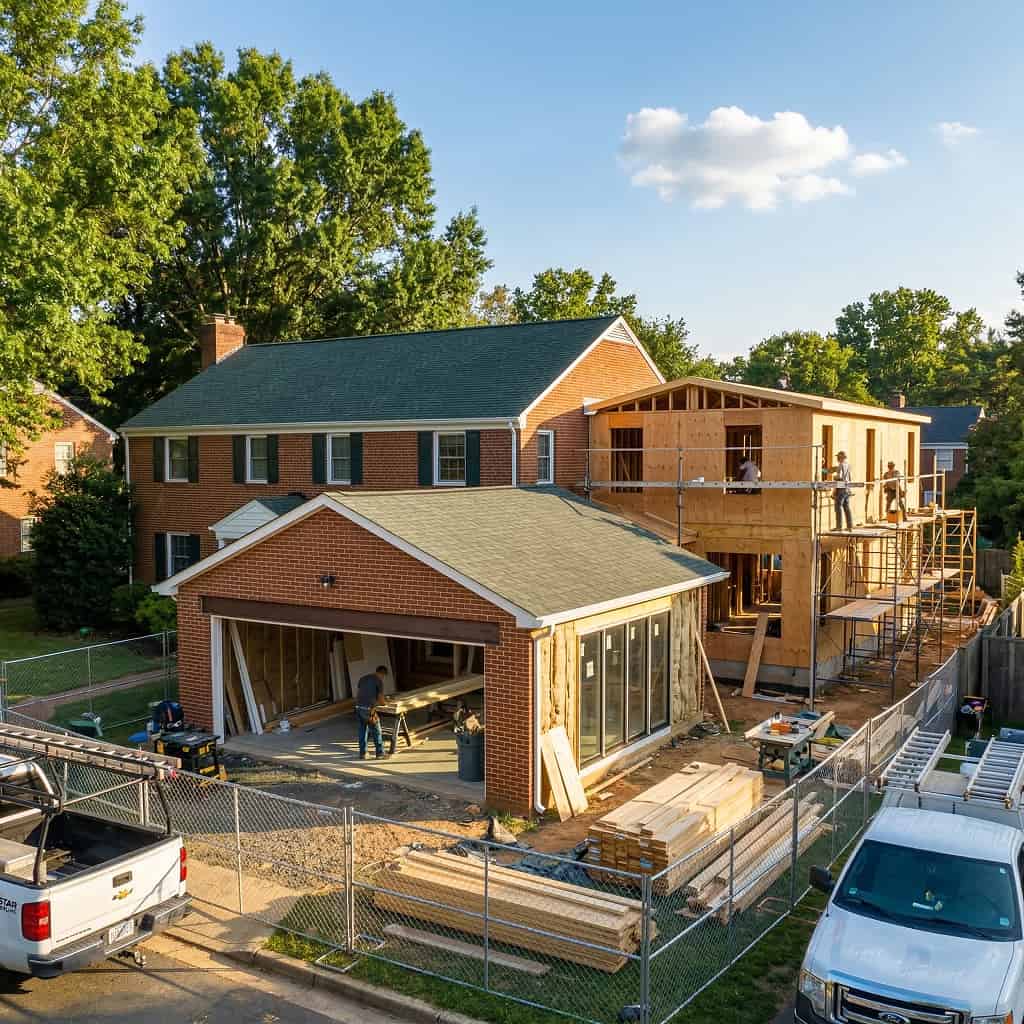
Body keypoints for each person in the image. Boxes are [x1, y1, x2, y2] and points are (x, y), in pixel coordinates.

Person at [355, 664, 388, 760]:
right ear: (382, 674)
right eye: (383, 676)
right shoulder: (379, 681)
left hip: (358, 707)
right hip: (369, 709)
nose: (383, 678)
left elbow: (359, 693)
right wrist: (385, 703)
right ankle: (380, 753)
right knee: (376, 731)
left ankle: (363, 754)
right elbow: (381, 700)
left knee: (362, 731)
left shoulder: (363, 678)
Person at [825, 450, 853, 530]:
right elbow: (849, 478)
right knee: (846, 507)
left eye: (838, 457)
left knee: (838, 507)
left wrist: (834, 477)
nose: (837, 458)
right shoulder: (848, 465)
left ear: (841, 457)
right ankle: (849, 526)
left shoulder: (841, 465)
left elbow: (838, 477)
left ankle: (839, 526)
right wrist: (828, 470)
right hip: (847, 488)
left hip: (841, 489)